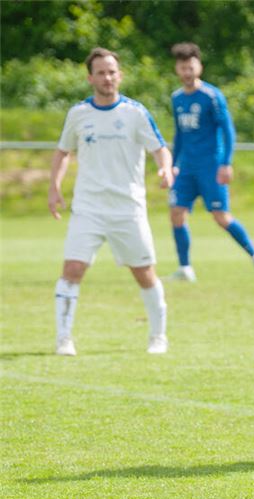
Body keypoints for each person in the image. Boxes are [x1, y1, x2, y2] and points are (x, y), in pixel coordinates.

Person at [48, 48, 174, 356]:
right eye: (101, 72)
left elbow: (160, 147)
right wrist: (54, 186)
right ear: (91, 78)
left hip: (127, 207)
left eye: (112, 71)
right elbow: (63, 151)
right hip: (88, 207)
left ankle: (158, 336)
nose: (108, 77)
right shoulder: (78, 113)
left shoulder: (135, 113)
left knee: (144, 272)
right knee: (73, 268)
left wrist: (165, 168)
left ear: (120, 75)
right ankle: (64, 338)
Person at [166, 42, 254, 283]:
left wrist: (226, 163)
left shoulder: (212, 96)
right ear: (177, 70)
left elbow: (228, 130)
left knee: (220, 216)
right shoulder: (177, 98)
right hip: (186, 168)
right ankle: (185, 268)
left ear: (199, 67)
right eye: (182, 67)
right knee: (176, 213)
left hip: (210, 166)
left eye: (190, 67)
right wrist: (173, 163)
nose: (187, 72)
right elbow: (179, 134)